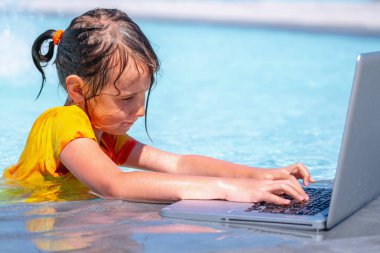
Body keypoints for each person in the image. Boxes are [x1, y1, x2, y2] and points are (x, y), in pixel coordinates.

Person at [2, 8, 315, 204]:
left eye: (143, 96)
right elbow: (114, 184)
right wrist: (227, 190)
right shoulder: (64, 121)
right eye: (126, 98)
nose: (140, 110)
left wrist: (257, 177)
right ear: (78, 89)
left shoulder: (105, 134)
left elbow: (177, 165)